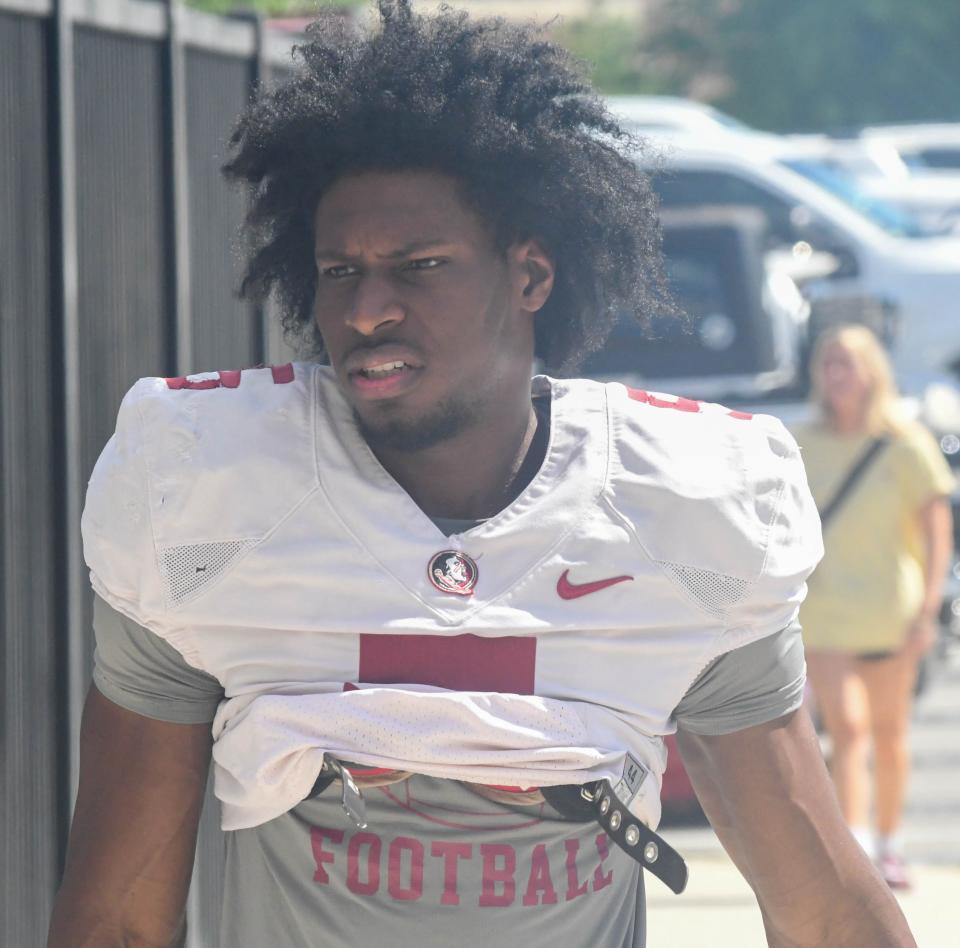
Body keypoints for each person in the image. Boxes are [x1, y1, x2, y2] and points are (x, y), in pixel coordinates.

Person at [48, 3, 917, 946]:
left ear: (530, 275)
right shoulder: (205, 496)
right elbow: (117, 921)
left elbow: (826, 910)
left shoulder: (682, 515)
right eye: (340, 272)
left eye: (419, 266)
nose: (369, 308)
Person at [795, 324, 955, 891]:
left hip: (892, 608)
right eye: (829, 363)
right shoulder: (802, 442)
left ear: (872, 372)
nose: (838, 374)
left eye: (849, 363)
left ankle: (890, 843)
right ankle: (856, 847)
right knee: (849, 730)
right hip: (826, 612)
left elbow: (938, 529)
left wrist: (930, 610)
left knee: (889, 735)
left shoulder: (905, 444)